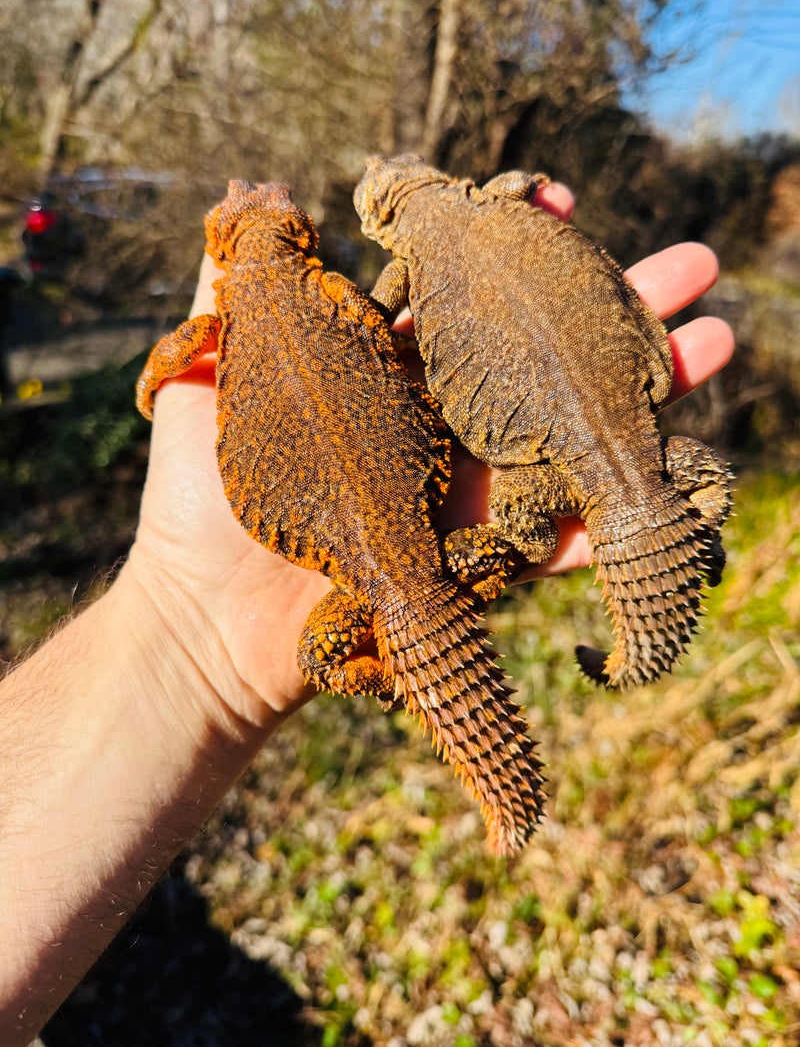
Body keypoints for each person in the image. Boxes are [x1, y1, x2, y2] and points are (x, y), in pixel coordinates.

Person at [0, 180, 734, 1046]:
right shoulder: (343, 296)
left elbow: (171, 359)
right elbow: (387, 338)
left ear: (220, 248)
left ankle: (443, 703)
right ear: (303, 236)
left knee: (329, 650)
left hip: (374, 566)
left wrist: (155, 383)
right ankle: (468, 708)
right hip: (422, 540)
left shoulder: (215, 328)